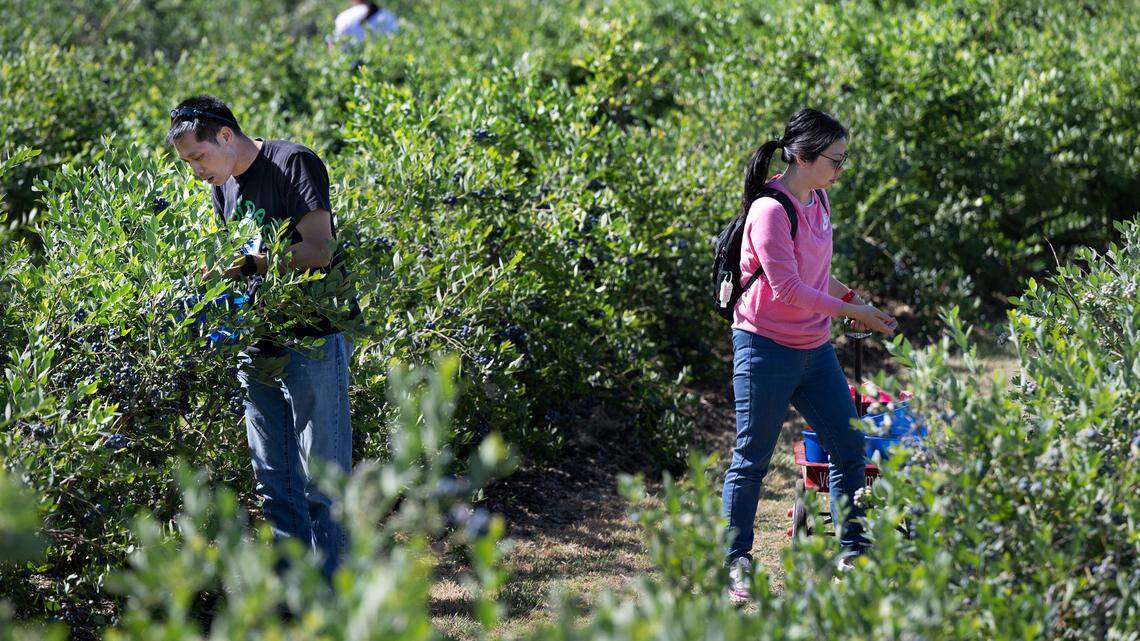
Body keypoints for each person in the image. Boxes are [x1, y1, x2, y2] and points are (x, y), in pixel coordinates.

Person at [166, 95, 356, 579]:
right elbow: (235, 264)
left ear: (225, 136)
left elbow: (318, 250)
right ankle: (295, 595)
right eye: (187, 162)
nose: (196, 171)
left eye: (198, 157)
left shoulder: (293, 163)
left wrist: (249, 264)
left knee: (324, 480)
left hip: (314, 337)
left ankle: (338, 600)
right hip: (257, 343)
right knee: (275, 481)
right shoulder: (223, 187)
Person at [722, 108, 898, 603]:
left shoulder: (818, 200)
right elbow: (789, 289)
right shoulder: (770, 212)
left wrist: (854, 303)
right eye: (835, 160)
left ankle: (853, 552)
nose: (841, 170)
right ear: (803, 157)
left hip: (814, 349)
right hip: (763, 348)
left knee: (848, 445)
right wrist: (855, 313)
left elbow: (818, 278)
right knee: (751, 459)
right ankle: (736, 565)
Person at [328, 0, 399, 49]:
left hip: (351, 68)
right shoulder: (386, 15)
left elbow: (334, 48)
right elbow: (396, 42)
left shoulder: (343, 17)